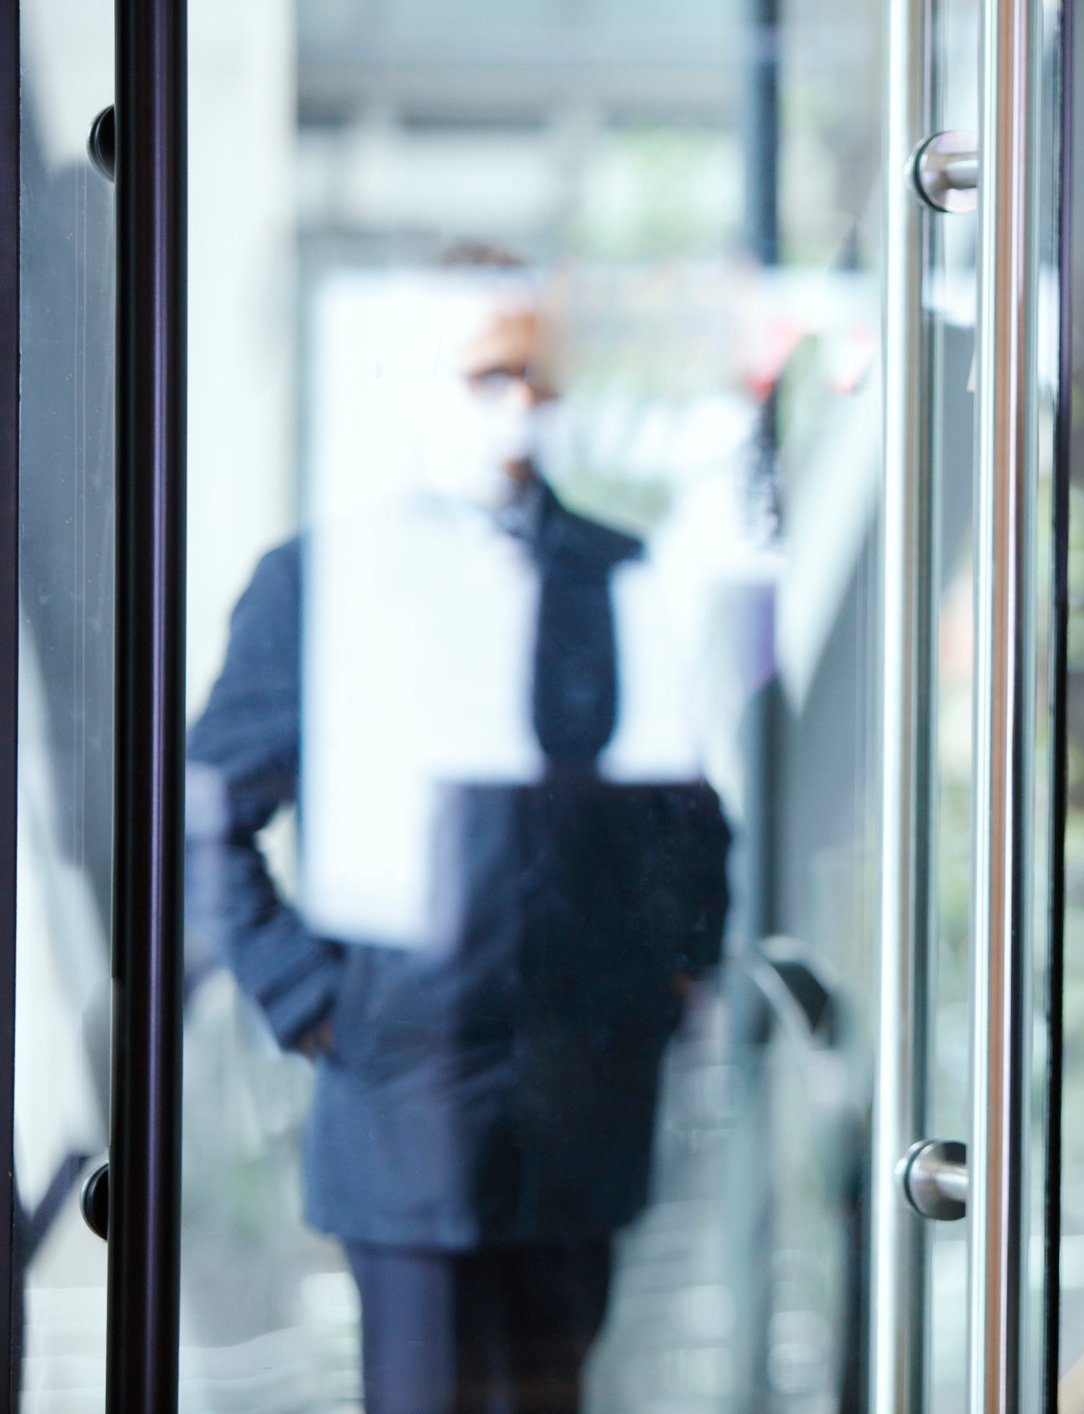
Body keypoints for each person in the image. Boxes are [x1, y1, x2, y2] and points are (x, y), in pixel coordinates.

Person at [187, 267, 731, 1413]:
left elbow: (685, 814)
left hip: (579, 1103)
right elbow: (203, 815)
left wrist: (667, 980)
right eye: (490, 372)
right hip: (405, 1102)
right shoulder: (322, 580)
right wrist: (312, 997)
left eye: (536, 372)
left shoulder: (617, 571)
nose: (518, 398)